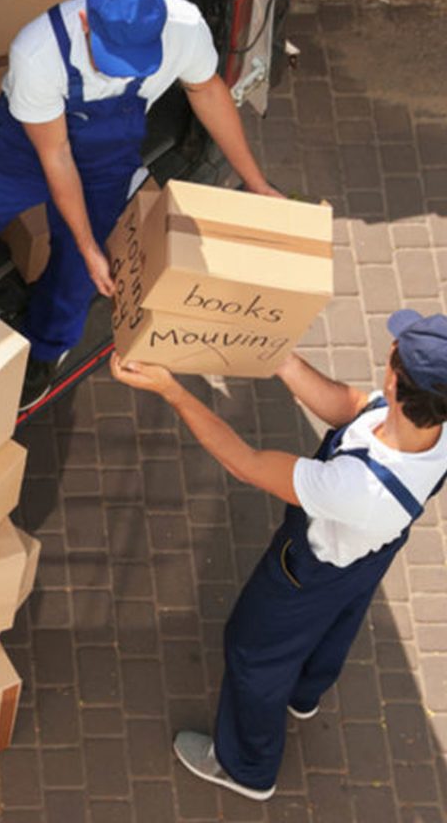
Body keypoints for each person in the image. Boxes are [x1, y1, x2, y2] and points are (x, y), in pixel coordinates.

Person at [110, 310, 447, 800]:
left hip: (307, 573)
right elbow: (351, 406)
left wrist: (173, 391)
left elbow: (245, 464)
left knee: (253, 655)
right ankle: (306, 692)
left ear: (395, 380)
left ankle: (247, 766)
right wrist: (281, 361)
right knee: (336, 624)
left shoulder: (355, 488)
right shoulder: (429, 424)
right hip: (366, 555)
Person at [0, 0, 279, 411]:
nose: (119, 72)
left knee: (79, 272)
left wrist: (256, 182)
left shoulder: (184, 28)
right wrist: (90, 241)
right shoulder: (39, 51)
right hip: (24, 148)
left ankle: (46, 350)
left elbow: (206, 90)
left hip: (104, 161)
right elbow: (56, 156)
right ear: (86, 21)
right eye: (109, 57)